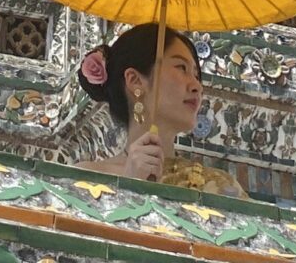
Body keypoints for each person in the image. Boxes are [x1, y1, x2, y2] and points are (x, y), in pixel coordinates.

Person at [77, 23, 248, 197]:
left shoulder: (221, 187)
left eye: (196, 75)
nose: (197, 85)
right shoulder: (85, 181)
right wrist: (129, 188)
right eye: (182, 68)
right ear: (135, 80)